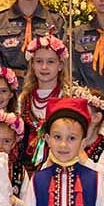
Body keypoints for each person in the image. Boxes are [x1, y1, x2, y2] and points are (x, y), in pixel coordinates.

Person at [17, 35, 70, 169]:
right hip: (28, 165)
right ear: (32, 65)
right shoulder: (24, 99)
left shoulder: (68, 97)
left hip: (61, 164)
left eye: (50, 62)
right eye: (39, 61)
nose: (44, 67)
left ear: (60, 65)